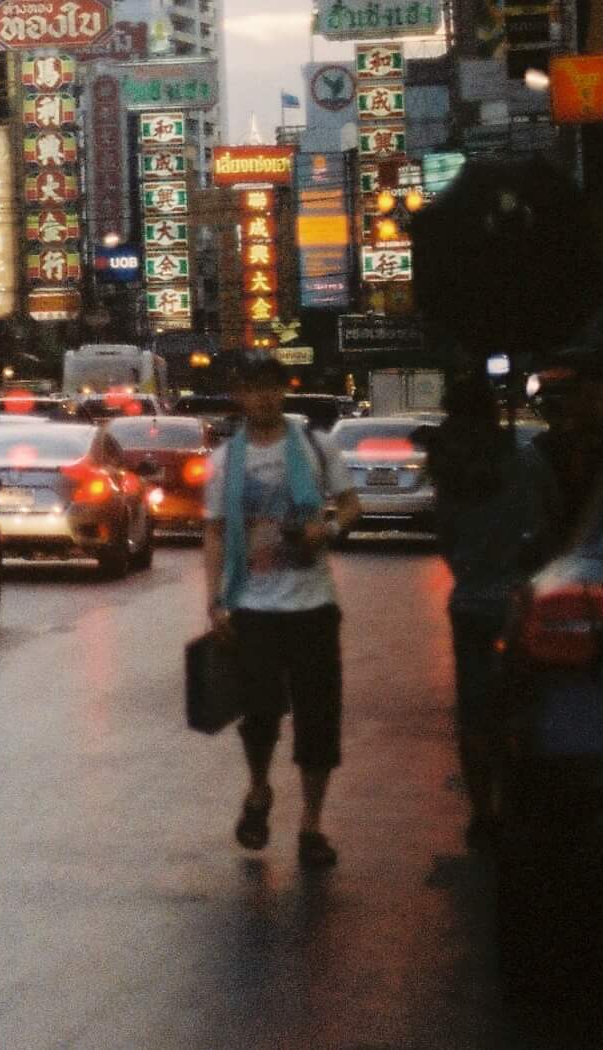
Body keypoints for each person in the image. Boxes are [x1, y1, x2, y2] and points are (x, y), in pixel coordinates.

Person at [203, 353, 360, 869]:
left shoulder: (318, 445)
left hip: (313, 604)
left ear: (282, 391)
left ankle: (312, 824)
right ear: (239, 396)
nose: (263, 397)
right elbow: (216, 530)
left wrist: (326, 528)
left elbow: (350, 504)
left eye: (271, 387)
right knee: (260, 716)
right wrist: (216, 600)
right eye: (252, 388)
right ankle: (259, 791)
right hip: (253, 607)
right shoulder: (225, 459)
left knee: (319, 720)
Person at [418, 372, 559, 851]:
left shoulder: (449, 466)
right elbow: (553, 524)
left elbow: (446, 538)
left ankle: (483, 813)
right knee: (524, 707)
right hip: (522, 603)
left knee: (475, 713)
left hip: (471, 601)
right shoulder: (524, 460)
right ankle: (521, 803)